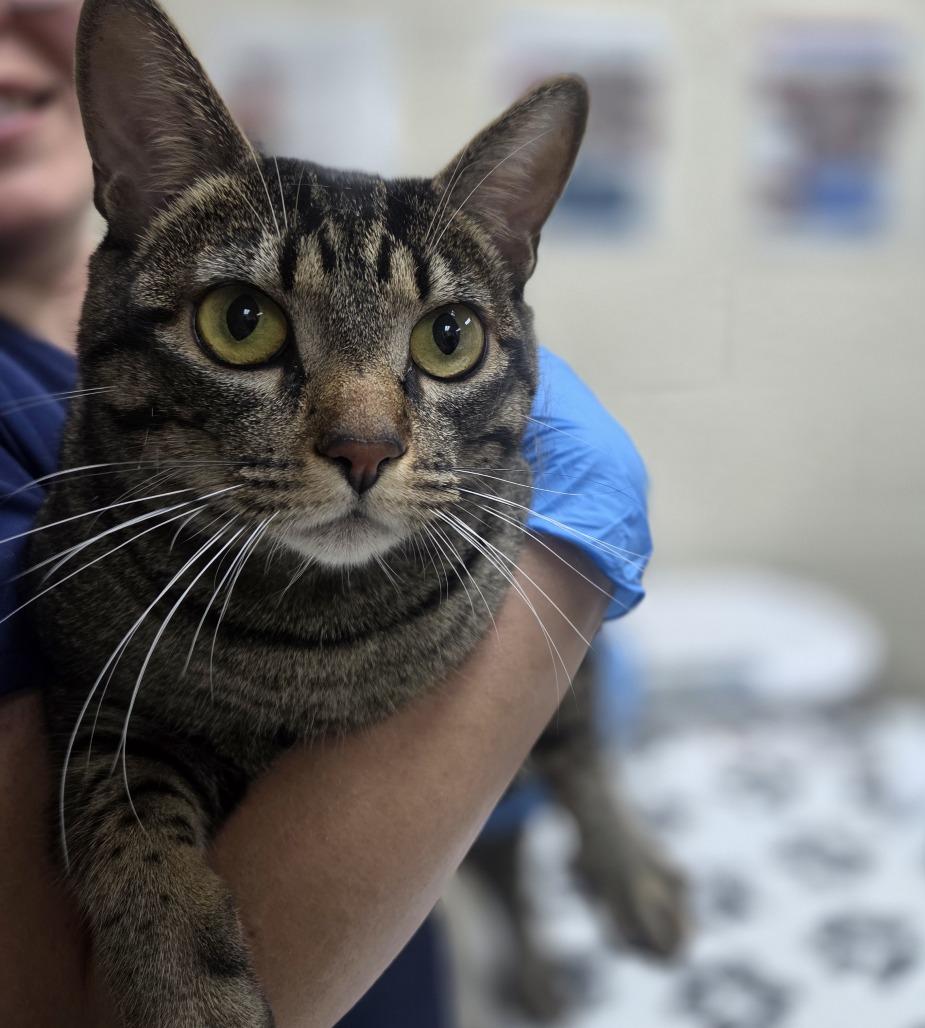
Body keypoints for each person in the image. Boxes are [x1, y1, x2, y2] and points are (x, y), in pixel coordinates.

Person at [0, 2, 651, 1026]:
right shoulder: (61, 489)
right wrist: (563, 574)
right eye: (242, 321)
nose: (362, 439)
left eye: (442, 338)